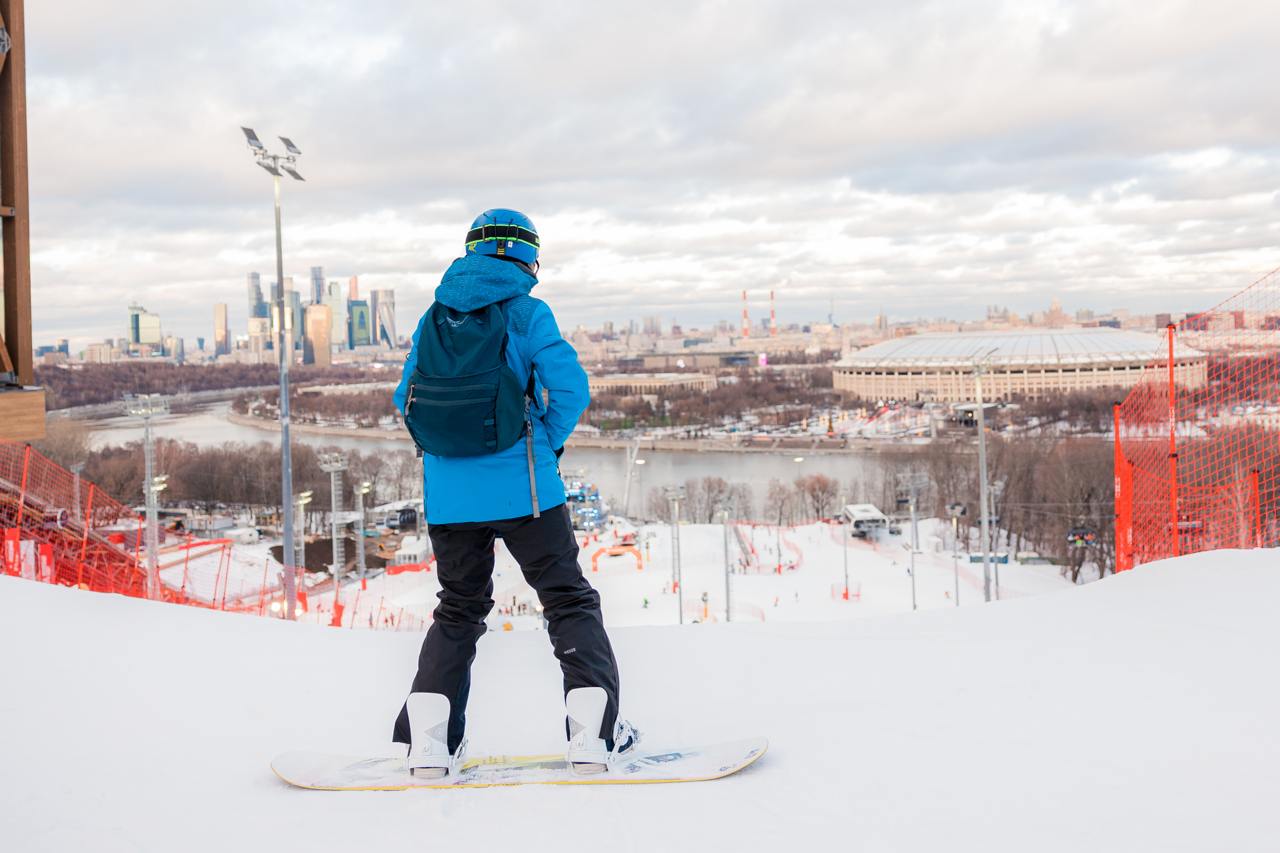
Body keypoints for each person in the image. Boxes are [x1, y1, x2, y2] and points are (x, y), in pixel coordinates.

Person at [390, 209, 637, 778]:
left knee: (458, 610)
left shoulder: (434, 315)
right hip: (526, 492)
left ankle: (430, 744)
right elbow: (571, 388)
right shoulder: (528, 312)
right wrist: (543, 445)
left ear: (472, 251)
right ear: (528, 259)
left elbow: (405, 396)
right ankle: (593, 737)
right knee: (568, 600)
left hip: (450, 500)